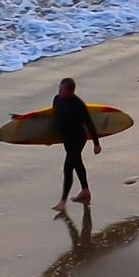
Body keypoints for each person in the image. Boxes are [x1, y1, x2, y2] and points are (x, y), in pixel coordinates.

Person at [50, 77, 101, 209]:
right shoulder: (56, 100)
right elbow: (54, 121)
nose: (59, 91)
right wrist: (49, 139)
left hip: (78, 139)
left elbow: (89, 124)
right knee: (77, 163)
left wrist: (96, 144)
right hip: (67, 139)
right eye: (59, 89)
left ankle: (63, 202)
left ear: (71, 92)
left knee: (68, 168)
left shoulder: (78, 105)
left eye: (62, 90)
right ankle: (85, 191)